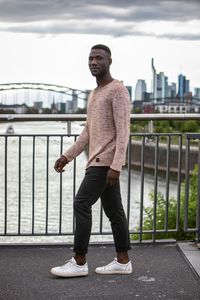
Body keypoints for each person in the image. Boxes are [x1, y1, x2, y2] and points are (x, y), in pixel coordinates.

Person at [51, 44, 132, 277]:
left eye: (99, 58)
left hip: (105, 163)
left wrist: (116, 166)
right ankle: (123, 261)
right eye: (90, 58)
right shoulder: (95, 93)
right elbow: (87, 132)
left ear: (109, 61)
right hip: (98, 161)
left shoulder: (118, 91)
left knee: (81, 203)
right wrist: (67, 156)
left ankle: (79, 261)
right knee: (115, 212)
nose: (94, 62)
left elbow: (123, 131)